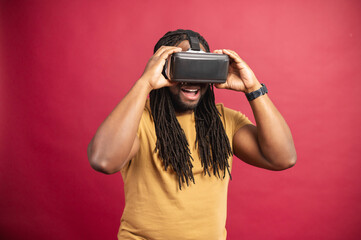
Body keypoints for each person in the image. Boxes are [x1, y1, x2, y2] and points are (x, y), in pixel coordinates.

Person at [87, 29, 297, 240]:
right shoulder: (138, 121)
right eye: (185, 64)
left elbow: (283, 157)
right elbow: (104, 160)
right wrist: (145, 83)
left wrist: (253, 87)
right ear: (162, 68)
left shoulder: (224, 121)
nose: (192, 77)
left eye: (201, 65)